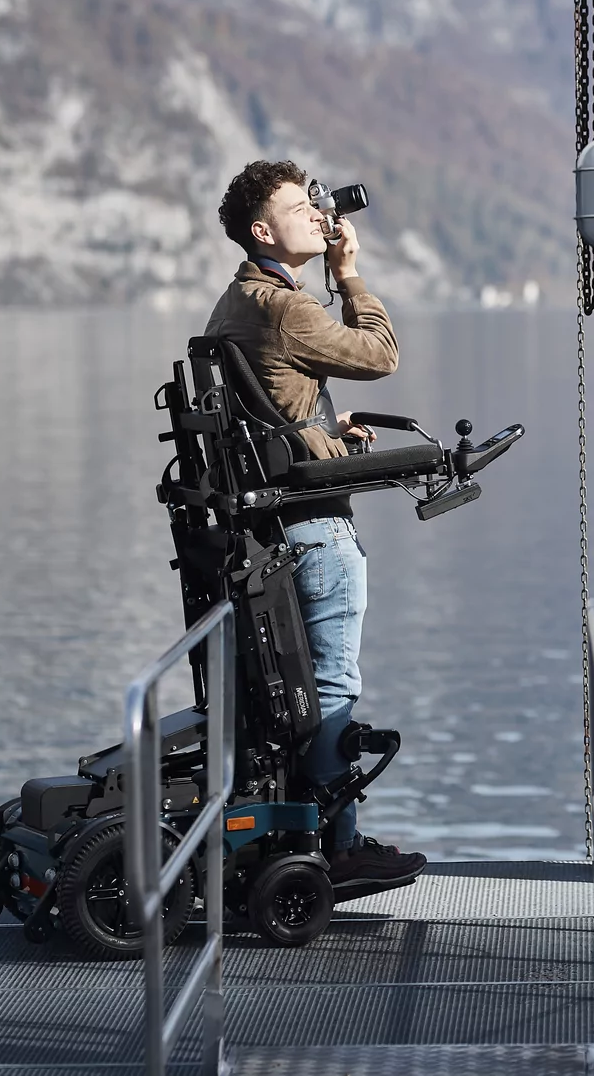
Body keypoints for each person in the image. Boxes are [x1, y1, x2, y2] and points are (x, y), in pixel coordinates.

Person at [205, 158, 426, 888]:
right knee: (331, 686)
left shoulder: (236, 303)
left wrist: (324, 427)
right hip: (315, 530)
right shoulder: (286, 308)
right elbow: (381, 354)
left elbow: (268, 408)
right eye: (302, 208)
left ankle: (304, 835)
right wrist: (351, 275)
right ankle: (336, 845)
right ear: (262, 229)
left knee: (292, 692)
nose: (320, 218)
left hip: (271, 532)